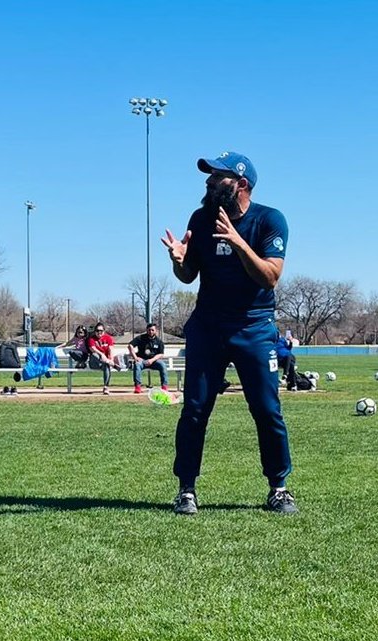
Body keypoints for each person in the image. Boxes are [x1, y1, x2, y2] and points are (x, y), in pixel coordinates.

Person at [160, 151, 297, 515]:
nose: (207, 183)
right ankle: (186, 489)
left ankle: (279, 487)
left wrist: (238, 242)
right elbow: (189, 276)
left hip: (253, 326)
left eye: (217, 177)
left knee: (266, 409)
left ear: (241, 185)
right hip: (208, 326)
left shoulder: (270, 220)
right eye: (208, 176)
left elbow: (270, 276)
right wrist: (179, 261)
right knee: (194, 409)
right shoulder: (200, 220)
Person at [127, 322, 169, 395]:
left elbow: (161, 354)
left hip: (154, 361)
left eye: (152, 330)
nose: (151, 331)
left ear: (156, 331)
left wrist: (152, 360)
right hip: (142, 360)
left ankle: (164, 386)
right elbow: (130, 346)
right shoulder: (141, 338)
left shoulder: (159, 341)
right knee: (137, 365)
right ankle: (138, 386)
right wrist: (135, 357)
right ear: (147, 330)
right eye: (149, 330)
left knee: (162, 365)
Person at [87, 322, 122, 395]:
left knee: (106, 365)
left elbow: (111, 349)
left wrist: (111, 359)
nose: (99, 332)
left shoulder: (108, 338)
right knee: (94, 355)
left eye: (101, 331)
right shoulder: (91, 339)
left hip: (105, 362)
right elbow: (92, 349)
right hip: (95, 362)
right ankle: (112, 365)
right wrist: (102, 354)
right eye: (97, 330)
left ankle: (106, 387)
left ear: (104, 331)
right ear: (95, 331)